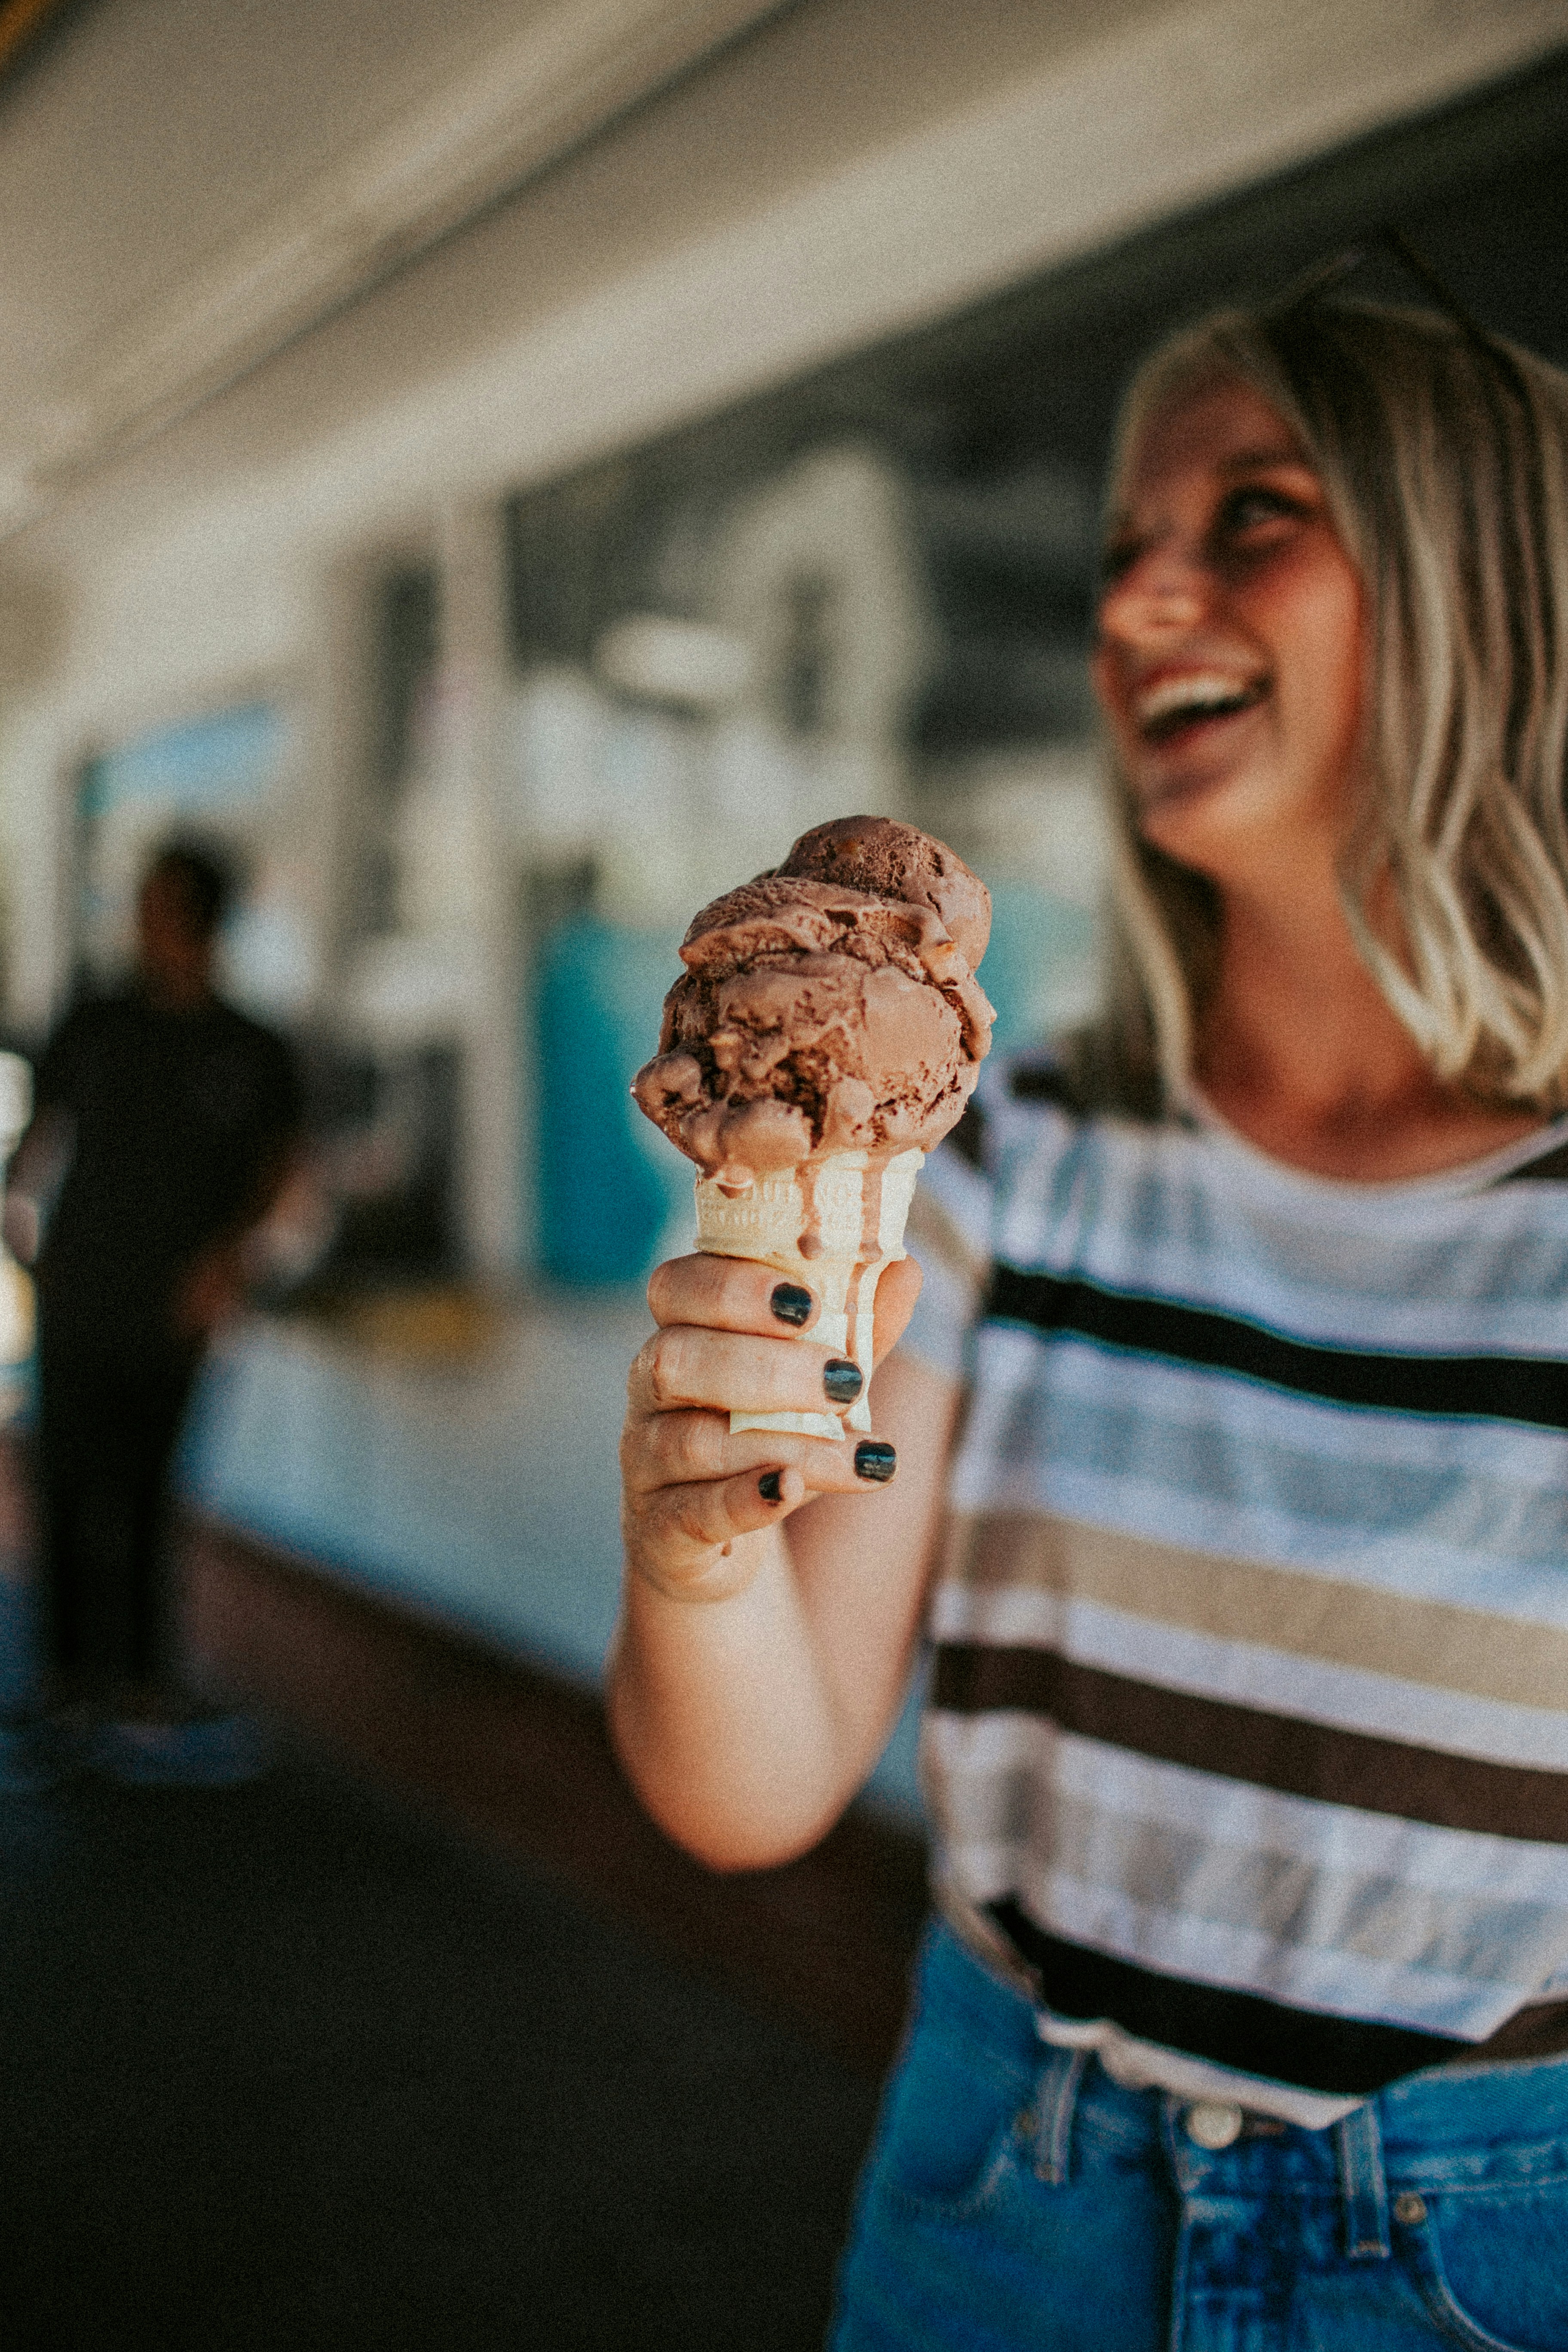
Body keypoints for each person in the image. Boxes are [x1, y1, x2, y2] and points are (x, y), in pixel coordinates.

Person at [611, 286, 1568, 2347]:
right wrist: (698, 1555)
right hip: (999, 2178)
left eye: (1251, 516)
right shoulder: (1014, 1139)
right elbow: (750, 1788)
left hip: (1485, 2254)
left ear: (1486, 587)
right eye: (1128, 540)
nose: (1144, 588)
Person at [5, 842, 303, 1785]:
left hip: (171, 1313)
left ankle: (140, 1692)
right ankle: (65, 1688)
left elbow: (280, 1168)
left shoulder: (251, 1048)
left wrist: (225, 1269)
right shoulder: (95, 1024)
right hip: (81, 1296)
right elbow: (36, 1147)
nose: (148, 925)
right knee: (65, 1484)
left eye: (164, 907)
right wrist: (26, 1243)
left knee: (143, 1493)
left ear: (205, 919)